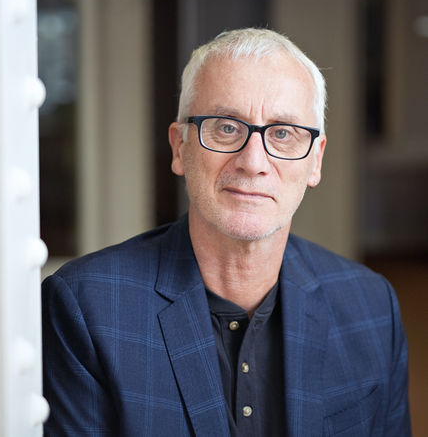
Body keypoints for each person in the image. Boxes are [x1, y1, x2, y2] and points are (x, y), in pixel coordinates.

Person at [41, 28, 411, 436]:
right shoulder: (87, 307)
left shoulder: (372, 308)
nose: (253, 162)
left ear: (315, 161)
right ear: (179, 147)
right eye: (226, 128)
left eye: (283, 133)